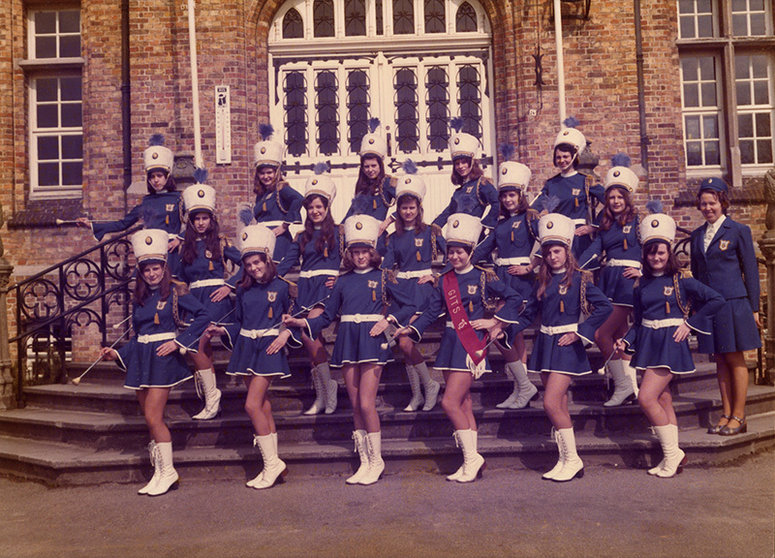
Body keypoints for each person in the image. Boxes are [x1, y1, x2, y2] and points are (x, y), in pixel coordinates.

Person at [284, 215, 417, 486]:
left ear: (372, 252)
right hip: (347, 340)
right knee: (356, 405)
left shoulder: (383, 277)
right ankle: (364, 461)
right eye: (355, 252)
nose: (360, 257)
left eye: (365, 251)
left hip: (371, 341)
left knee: (367, 403)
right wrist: (301, 322)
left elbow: (410, 305)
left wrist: (389, 320)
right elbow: (326, 316)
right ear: (349, 255)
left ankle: (377, 461)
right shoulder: (342, 281)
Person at [399, 213, 522, 483]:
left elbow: (514, 298)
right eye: (451, 252)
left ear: (470, 252)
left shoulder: (484, 277)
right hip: (450, 343)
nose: (454, 257)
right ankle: (470, 462)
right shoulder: (445, 280)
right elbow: (432, 312)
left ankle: (472, 458)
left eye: (460, 252)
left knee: (449, 402)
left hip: (471, 344)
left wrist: (495, 321)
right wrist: (411, 328)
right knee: (463, 403)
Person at [99, 229, 210, 496]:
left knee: (153, 416)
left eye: (156, 268)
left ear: (164, 267)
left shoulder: (176, 291)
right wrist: (117, 354)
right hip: (141, 360)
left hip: (163, 360)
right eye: (147, 269)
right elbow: (140, 336)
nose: (151, 274)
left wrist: (179, 342)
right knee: (150, 421)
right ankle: (159, 472)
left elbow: (204, 315)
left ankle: (169, 472)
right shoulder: (140, 297)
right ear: (141, 271)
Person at [617, 212, 723, 477]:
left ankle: (673, 454)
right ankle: (671, 458)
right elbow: (638, 321)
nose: (656, 258)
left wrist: (690, 324)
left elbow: (716, 300)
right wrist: (626, 341)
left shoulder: (681, 279)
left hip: (670, 344)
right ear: (645, 254)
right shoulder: (640, 283)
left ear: (669, 252)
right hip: (648, 343)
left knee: (646, 398)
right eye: (651, 253)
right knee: (663, 399)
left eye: (661, 253)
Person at [510, 214, 612, 482]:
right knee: (560, 405)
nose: (553, 256)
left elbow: (605, 307)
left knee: (550, 402)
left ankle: (574, 459)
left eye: (557, 251)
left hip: (567, 345)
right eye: (548, 252)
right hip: (545, 344)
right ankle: (565, 459)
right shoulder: (541, 281)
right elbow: (528, 313)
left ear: (567, 251)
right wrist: (504, 327)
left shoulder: (580, 279)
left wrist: (580, 332)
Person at [206, 224, 302, 489]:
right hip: (247, 347)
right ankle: (273, 464)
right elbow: (239, 322)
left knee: (251, 405)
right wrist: (222, 329)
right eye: (248, 264)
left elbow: (297, 317)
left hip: (269, 347)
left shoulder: (283, 287)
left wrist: (285, 334)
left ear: (267, 259)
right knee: (263, 405)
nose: (253, 268)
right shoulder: (243, 289)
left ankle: (271, 464)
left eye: (257, 262)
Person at [690, 178, 762, 436]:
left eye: (712, 203)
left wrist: (754, 308)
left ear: (723, 203)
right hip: (709, 307)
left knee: (734, 357)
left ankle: (739, 416)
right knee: (719, 359)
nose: (708, 208)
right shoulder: (697, 235)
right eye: (703, 204)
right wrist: (696, 308)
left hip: (733, 303)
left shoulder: (738, 230)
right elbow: (697, 275)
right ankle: (726, 413)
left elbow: (750, 272)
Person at [472, 150, 540, 409]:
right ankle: (519, 388)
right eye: (504, 195)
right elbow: (484, 248)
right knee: (514, 336)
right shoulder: (500, 224)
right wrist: (461, 260)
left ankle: (524, 386)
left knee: (504, 332)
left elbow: (548, 242)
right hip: (502, 281)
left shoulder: (530, 218)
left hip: (522, 283)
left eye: (513, 195)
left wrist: (530, 266)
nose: (508, 200)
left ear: (521, 195)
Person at [276, 163, 342, 415]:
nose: (315, 211)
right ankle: (322, 394)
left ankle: (329, 388)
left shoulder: (339, 232)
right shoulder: (301, 236)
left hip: (327, 289)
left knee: (308, 332)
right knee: (311, 339)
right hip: (306, 289)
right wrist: (267, 278)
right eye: (311, 207)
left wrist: (341, 277)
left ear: (327, 207)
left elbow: (356, 258)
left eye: (319, 207)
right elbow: (287, 263)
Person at [176, 171, 242, 419]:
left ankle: (213, 397)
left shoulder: (221, 243)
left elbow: (248, 264)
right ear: (191, 222)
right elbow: (179, 278)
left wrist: (230, 286)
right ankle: (211, 400)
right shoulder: (184, 247)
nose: (201, 223)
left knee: (196, 344)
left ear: (211, 219)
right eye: (197, 219)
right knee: (203, 351)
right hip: (194, 301)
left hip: (216, 300)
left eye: (205, 218)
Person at [578, 154, 642, 406]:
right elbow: (594, 250)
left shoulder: (638, 221)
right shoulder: (605, 224)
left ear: (627, 198)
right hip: (609, 282)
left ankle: (622, 386)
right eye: (611, 197)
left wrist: (643, 272)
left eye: (619, 197)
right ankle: (631, 388)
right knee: (620, 335)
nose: (615, 201)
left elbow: (655, 248)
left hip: (627, 284)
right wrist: (575, 268)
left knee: (600, 333)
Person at [378, 160, 442, 412]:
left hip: (422, 291)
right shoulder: (393, 237)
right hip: (402, 292)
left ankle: (429, 386)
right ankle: (418, 394)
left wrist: (436, 277)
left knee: (404, 341)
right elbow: (387, 266)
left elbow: (454, 256)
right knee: (404, 343)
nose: (407, 212)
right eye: (403, 208)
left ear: (419, 208)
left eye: (411, 207)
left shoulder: (430, 232)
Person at [77, 134, 183, 272]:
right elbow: (123, 223)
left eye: (159, 176)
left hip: (171, 251)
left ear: (167, 177)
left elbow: (196, 222)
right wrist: (91, 225)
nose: (156, 180)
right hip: (150, 250)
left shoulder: (178, 198)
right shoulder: (146, 201)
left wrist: (180, 239)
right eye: (152, 177)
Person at [532, 117, 604, 259]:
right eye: (558, 157)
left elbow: (612, 203)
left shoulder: (586, 181)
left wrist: (594, 226)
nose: (562, 160)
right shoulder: (551, 184)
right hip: (557, 237)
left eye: (565, 156)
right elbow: (534, 210)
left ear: (574, 156)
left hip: (579, 238)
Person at [432, 118, 499, 232]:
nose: (460, 166)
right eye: (457, 163)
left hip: (473, 235)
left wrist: (485, 225)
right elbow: (449, 211)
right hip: (456, 233)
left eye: (464, 162)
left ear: (471, 162)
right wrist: (434, 226)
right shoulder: (459, 191)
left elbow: (497, 203)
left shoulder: (482, 184)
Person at [252, 124, 304, 262]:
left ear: (277, 172)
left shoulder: (282, 189)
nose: (266, 176)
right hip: (262, 238)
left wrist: (285, 225)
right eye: (262, 173)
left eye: (269, 172)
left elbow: (299, 199)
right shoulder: (261, 194)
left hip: (278, 240)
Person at [343, 118, 396, 234]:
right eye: (366, 166)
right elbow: (352, 212)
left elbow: (408, 201)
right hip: (359, 232)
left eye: (373, 166)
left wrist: (388, 221)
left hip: (377, 232)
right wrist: (340, 228)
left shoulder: (387, 182)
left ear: (380, 165)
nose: (370, 170)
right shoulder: (363, 185)